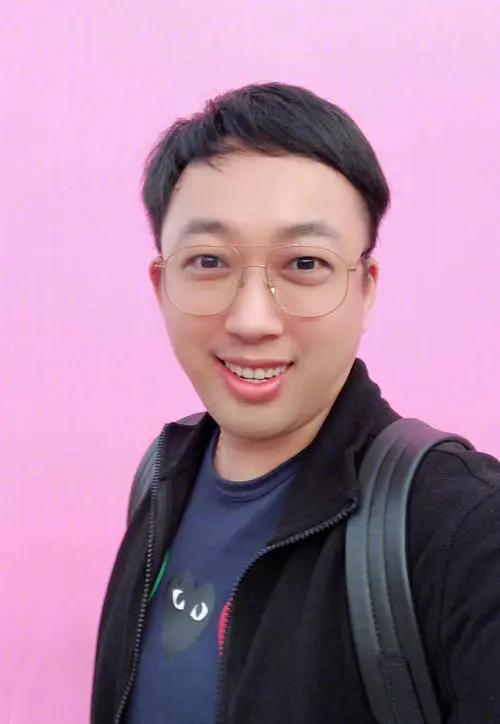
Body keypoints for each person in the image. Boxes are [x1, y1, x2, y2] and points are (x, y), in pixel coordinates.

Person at [91, 82, 500, 723]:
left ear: (365, 288)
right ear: (160, 284)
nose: (252, 320)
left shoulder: (465, 529)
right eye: (208, 261)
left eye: (305, 264)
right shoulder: (163, 474)